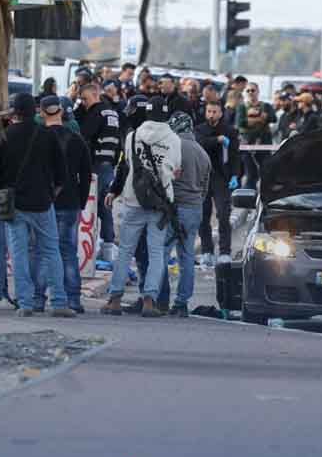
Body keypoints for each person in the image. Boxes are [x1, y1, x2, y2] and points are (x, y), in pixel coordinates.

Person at [0, 93, 75, 318]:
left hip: (15, 204)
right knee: (51, 251)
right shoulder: (47, 136)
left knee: (18, 254)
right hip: (42, 203)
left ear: (14, 113)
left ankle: (25, 303)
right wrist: (51, 194)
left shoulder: (4, 137)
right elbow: (61, 173)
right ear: (35, 111)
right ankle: (59, 302)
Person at [102, 98, 183, 317]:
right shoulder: (174, 140)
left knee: (125, 251)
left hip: (133, 201)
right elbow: (176, 171)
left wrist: (114, 190)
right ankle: (149, 300)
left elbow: (126, 166)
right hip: (160, 203)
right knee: (156, 253)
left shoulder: (132, 137)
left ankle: (115, 299)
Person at [30, 96, 92, 314]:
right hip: (71, 201)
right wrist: (81, 201)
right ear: (62, 112)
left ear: (42, 112)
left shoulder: (37, 138)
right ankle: (73, 298)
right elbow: (86, 174)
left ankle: (37, 298)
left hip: (43, 201)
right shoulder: (76, 139)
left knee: (41, 250)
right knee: (68, 250)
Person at [165, 111, 210, 317]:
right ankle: (182, 303)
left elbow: (166, 179)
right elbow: (204, 187)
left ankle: (159, 299)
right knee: (187, 256)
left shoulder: (173, 147)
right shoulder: (202, 153)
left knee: (162, 253)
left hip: (174, 208)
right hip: (194, 209)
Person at [76, 83, 121, 257]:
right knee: (105, 206)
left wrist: (79, 110)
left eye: (85, 99)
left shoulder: (96, 112)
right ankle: (108, 244)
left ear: (95, 95)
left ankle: (89, 247)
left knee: (90, 206)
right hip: (109, 165)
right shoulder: (111, 112)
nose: (84, 103)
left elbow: (83, 134)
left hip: (95, 165)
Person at [195, 100, 240, 266]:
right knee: (203, 216)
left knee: (223, 214)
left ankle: (225, 252)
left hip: (221, 178)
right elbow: (199, 143)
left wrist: (235, 175)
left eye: (214, 111)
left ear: (221, 113)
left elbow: (235, 155)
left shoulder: (230, 130)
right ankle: (207, 251)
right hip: (203, 178)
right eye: (209, 111)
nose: (211, 115)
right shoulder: (200, 129)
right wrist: (217, 140)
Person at [235, 82, 274, 188]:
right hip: (247, 144)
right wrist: (261, 119)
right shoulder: (242, 107)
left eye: (253, 90)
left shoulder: (266, 106)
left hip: (264, 143)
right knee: (251, 174)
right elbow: (240, 123)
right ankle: (248, 199)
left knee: (266, 173)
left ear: (258, 91)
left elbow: (272, 118)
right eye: (248, 90)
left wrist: (251, 120)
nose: (251, 92)